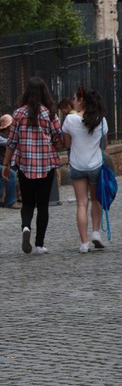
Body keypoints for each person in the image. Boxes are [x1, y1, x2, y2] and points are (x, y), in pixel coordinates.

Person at [2, 76, 63, 254]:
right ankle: (39, 244)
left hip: (25, 165)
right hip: (46, 165)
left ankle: (26, 227)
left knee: (28, 203)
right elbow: (58, 138)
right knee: (43, 205)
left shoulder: (18, 114)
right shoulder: (49, 114)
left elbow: (11, 142)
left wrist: (6, 165)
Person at [62, 88, 109, 253]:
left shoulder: (70, 119)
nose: (73, 101)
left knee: (82, 203)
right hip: (95, 164)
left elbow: (67, 144)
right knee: (96, 200)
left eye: (74, 98)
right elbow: (105, 145)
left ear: (81, 101)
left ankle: (84, 243)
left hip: (77, 165)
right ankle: (96, 233)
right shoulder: (101, 121)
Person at [0, 114, 19, 209]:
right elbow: (9, 143)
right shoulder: (1, 137)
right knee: (11, 174)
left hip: (3, 163)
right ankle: (10, 202)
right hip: (1, 164)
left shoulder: (7, 136)